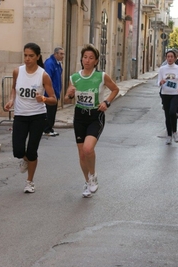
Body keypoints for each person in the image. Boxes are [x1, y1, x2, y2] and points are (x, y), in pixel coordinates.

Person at [64, 44, 119, 198]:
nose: (87, 61)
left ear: (96, 61)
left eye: (91, 58)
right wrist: (69, 95)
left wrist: (106, 102)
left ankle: (93, 175)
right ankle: (88, 182)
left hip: (95, 115)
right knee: (82, 154)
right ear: (81, 59)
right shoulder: (74, 78)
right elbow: (67, 100)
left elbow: (115, 89)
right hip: (79, 116)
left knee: (88, 149)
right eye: (85, 57)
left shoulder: (101, 76)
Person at [4, 43, 57, 193]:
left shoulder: (43, 75)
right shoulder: (17, 71)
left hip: (37, 116)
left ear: (38, 57)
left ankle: (30, 182)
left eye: (31, 56)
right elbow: (14, 88)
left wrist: (44, 99)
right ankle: (25, 159)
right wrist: (11, 100)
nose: (27, 59)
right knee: (18, 151)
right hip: (20, 115)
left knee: (32, 150)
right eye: (25, 55)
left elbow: (54, 99)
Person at [158, 49, 178, 145]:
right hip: (165, 94)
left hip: (175, 94)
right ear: (166, 58)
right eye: (168, 56)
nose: (170, 58)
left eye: (172, 57)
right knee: (167, 115)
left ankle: (175, 132)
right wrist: (161, 82)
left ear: (175, 58)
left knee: (172, 112)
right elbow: (158, 82)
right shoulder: (162, 69)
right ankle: (169, 136)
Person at [43, 46, 65, 137]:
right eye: (61, 54)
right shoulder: (50, 63)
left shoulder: (58, 64)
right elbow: (48, 79)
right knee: (49, 112)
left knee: (52, 112)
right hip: (49, 94)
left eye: (63, 54)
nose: (62, 56)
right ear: (55, 54)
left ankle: (50, 128)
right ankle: (47, 129)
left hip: (56, 92)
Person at [161, 48, 178, 118]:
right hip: (167, 83)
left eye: (173, 56)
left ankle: (177, 111)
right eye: (169, 56)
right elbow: (161, 72)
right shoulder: (165, 63)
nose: (171, 58)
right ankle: (164, 104)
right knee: (161, 92)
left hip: (176, 84)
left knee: (177, 97)